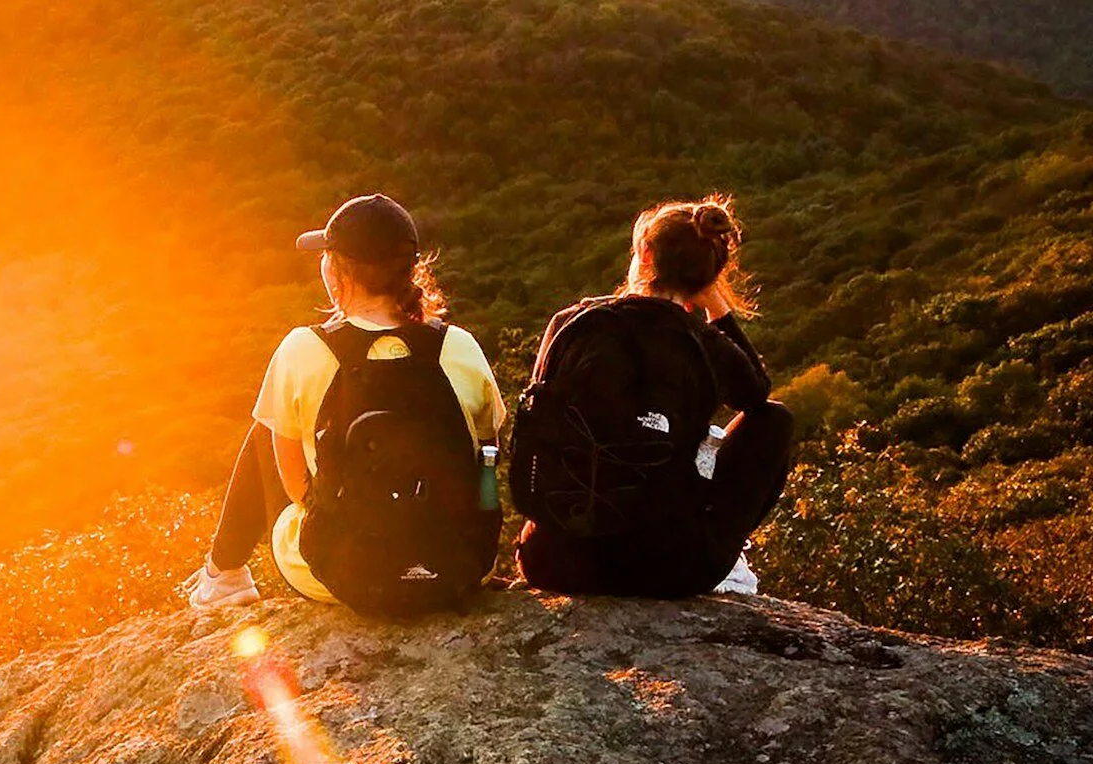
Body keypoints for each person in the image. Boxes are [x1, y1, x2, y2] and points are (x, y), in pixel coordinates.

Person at [188, 193, 507, 612]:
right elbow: (487, 450)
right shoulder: (459, 346)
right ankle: (223, 572)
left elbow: (298, 490)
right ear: (411, 269)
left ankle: (224, 574)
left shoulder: (303, 349)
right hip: (457, 566)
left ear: (337, 271)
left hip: (342, 573)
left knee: (269, 426)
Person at [513, 196, 795, 598]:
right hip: (665, 571)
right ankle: (708, 546)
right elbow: (758, 397)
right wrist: (715, 304)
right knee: (775, 419)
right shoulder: (707, 344)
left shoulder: (571, 323)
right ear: (710, 276)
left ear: (645, 254)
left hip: (556, 561)